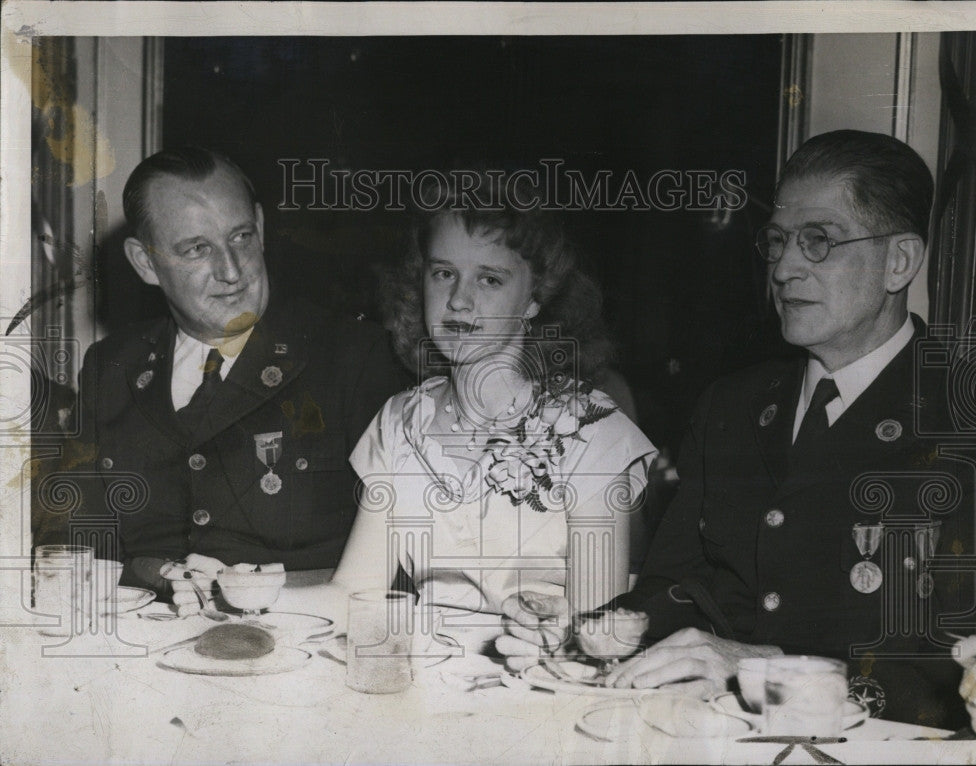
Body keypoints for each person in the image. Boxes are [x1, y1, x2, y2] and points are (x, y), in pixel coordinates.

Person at [499, 130, 976, 729]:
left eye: (819, 242)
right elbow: (680, 585)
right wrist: (595, 631)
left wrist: (760, 674)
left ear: (900, 262)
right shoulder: (732, 405)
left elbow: (967, 673)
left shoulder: (972, 422)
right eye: (778, 242)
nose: (783, 268)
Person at [301, 173, 657, 628]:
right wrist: (248, 595)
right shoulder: (399, 424)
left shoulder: (591, 429)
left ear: (533, 299)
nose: (458, 301)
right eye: (444, 273)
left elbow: (598, 626)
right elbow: (354, 594)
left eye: (489, 279)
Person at [52, 147, 406, 601]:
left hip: (301, 641)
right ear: (145, 262)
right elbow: (77, 540)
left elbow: (397, 568)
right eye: (198, 249)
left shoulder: (353, 356)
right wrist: (156, 572)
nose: (232, 271)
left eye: (239, 237)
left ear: (260, 227)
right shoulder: (111, 365)